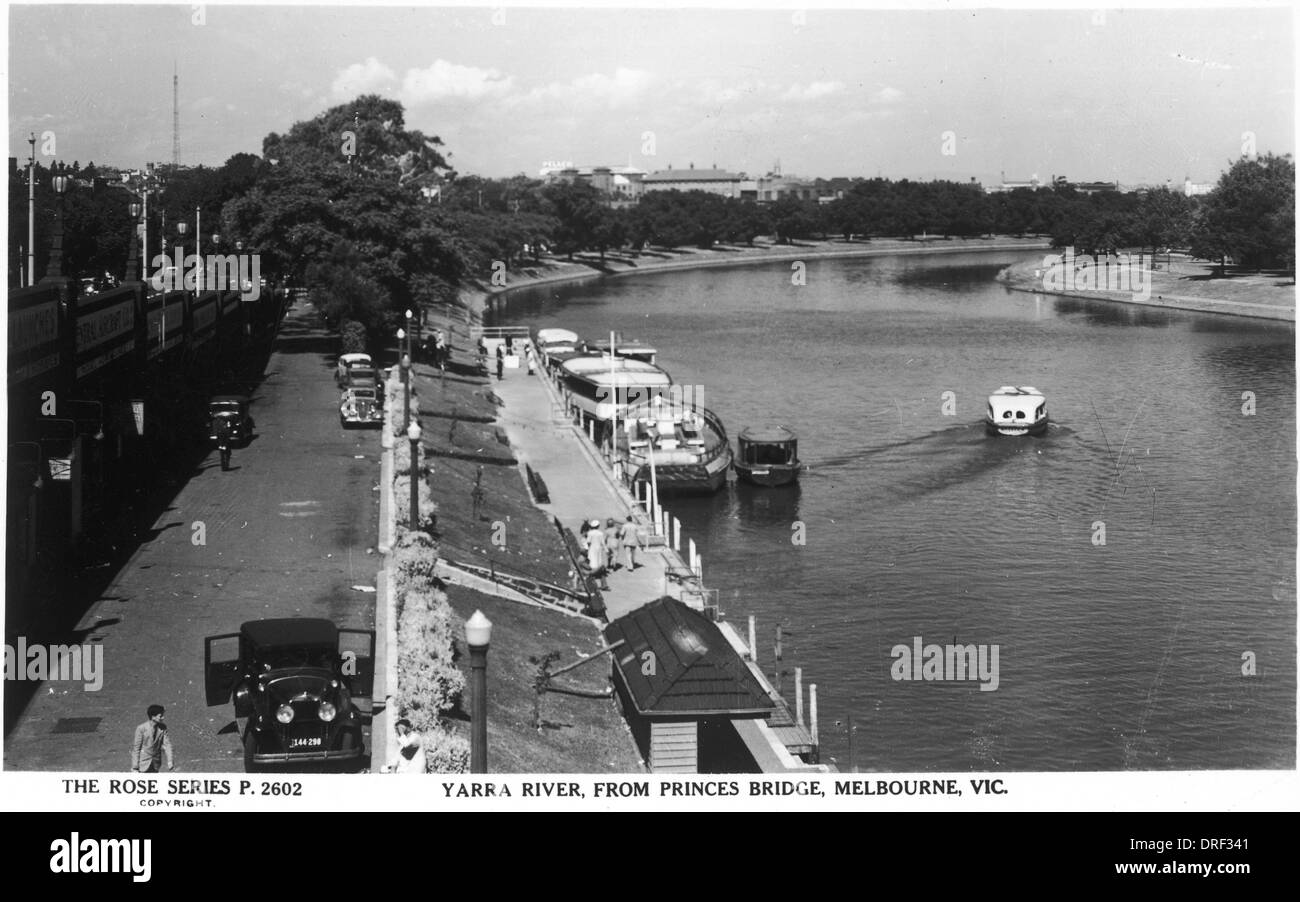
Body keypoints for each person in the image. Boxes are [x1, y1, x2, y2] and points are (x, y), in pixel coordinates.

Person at [131, 704, 175, 773]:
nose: (163, 718)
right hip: (142, 765)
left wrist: (170, 761)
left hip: (155, 764)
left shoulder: (163, 728)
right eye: (160, 716)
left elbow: (167, 745)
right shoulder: (141, 728)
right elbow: (136, 748)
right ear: (153, 717)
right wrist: (135, 767)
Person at [584, 519, 609, 590]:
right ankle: (598, 573)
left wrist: (586, 548)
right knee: (598, 561)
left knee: (592, 562)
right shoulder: (600, 533)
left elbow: (588, 541)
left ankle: (592, 576)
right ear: (598, 526)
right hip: (598, 549)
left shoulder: (590, 533)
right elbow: (603, 543)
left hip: (592, 549)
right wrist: (606, 550)